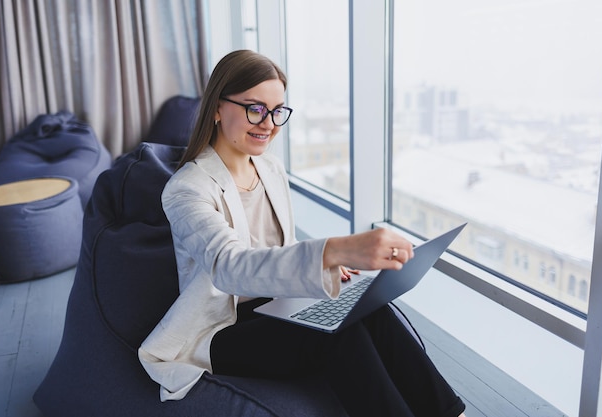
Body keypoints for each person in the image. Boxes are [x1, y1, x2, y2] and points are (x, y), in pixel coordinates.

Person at [138, 49, 466, 417]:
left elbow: (279, 248)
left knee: (369, 309)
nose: (269, 123)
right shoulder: (188, 189)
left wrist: (323, 271)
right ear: (217, 107)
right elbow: (229, 267)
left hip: (278, 303)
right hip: (222, 328)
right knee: (339, 336)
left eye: (277, 111)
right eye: (255, 108)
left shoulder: (270, 169)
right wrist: (334, 251)